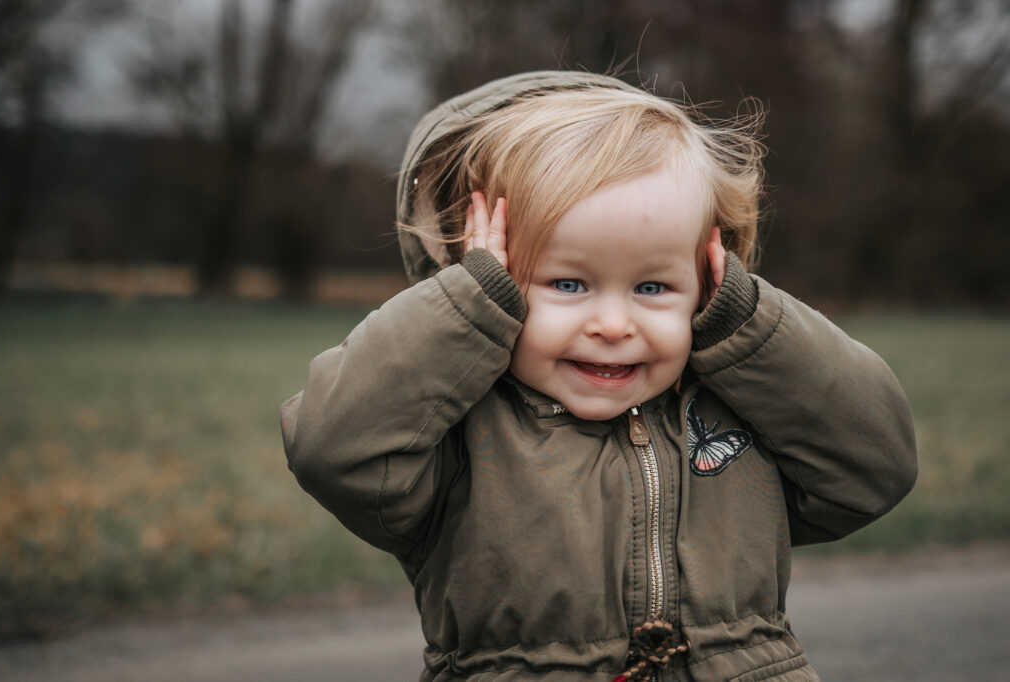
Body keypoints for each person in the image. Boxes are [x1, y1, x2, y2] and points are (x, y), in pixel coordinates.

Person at [280, 71, 917, 682]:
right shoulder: (454, 436)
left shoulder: (740, 408)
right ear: (483, 277)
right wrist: (469, 309)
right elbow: (331, 447)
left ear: (707, 282)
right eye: (567, 283)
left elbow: (874, 465)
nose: (613, 323)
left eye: (652, 285)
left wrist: (748, 326)